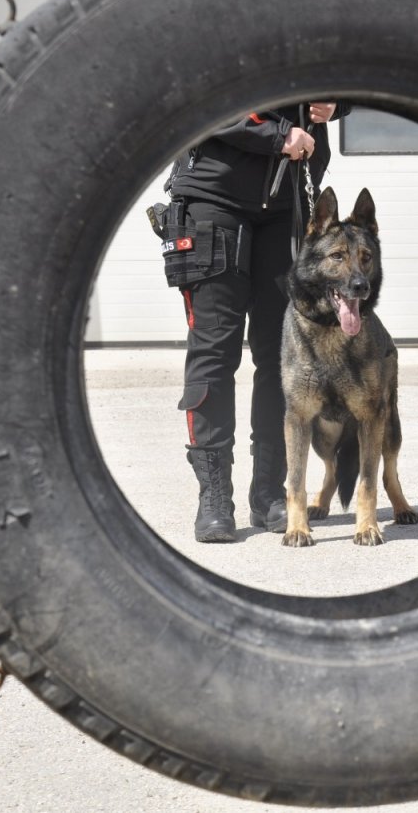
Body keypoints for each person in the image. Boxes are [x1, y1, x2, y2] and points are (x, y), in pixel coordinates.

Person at [165, 101, 347, 542]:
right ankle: (213, 498)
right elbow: (198, 91)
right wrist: (277, 134)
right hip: (214, 197)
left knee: (281, 358)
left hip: (287, 206)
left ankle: (269, 492)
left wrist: (340, 102)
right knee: (214, 351)